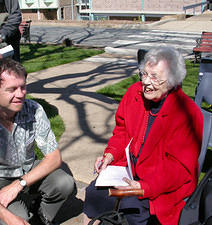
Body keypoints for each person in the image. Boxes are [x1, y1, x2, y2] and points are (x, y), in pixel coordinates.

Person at [83, 46, 203, 225]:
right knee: (94, 192)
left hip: (162, 183)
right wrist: (110, 154)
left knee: (132, 207)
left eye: (154, 77)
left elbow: (178, 169)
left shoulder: (186, 113)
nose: (146, 82)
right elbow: (122, 132)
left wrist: (145, 187)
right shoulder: (134, 93)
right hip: (130, 171)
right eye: (144, 74)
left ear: (172, 81)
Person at [0, 58, 75, 225]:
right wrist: (8, 216)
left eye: (23, 87)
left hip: (28, 171)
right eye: (12, 89)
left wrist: (19, 184)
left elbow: (54, 158)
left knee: (65, 183)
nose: (21, 94)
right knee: (16, 219)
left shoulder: (34, 110)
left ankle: (42, 216)